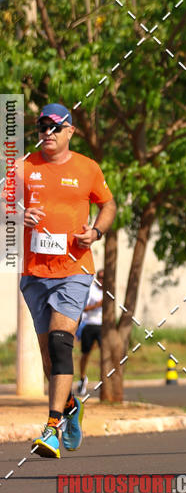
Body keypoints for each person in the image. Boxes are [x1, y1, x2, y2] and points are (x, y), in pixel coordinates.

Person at [19, 104, 116, 458]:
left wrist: (97, 231)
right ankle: (72, 405)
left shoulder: (87, 168)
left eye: (55, 127)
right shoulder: (24, 165)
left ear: (70, 131)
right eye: (42, 126)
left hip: (74, 270)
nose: (47, 132)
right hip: (33, 274)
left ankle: (52, 427)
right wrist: (17, 212)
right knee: (50, 361)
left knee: (62, 345)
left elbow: (108, 205)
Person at [75, 268, 104, 396]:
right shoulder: (91, 290)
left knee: (106, 353)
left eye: (104, 278)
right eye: (101, 278)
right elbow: (83, 308)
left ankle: (105, 378)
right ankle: (82, 378)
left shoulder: (109, 291)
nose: (102, 280)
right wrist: (96, 305)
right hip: (90, 325)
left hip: (103, 326)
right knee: (85, 354)